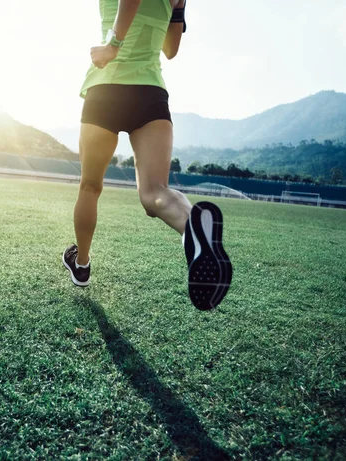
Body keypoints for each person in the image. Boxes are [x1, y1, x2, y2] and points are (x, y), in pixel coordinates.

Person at [62, 0, 232, 310]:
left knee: (89, 186)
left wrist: (113, 44)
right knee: (155, 192)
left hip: (107, 87)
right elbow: (171, 49)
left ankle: (82, 263)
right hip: (150, 94)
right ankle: (192, 226)